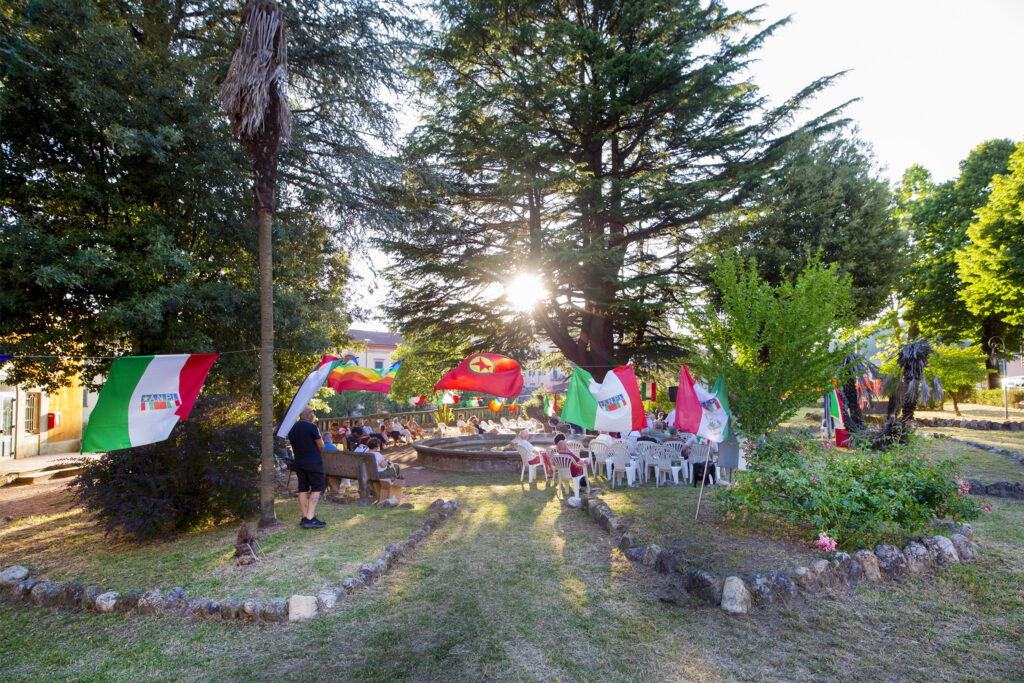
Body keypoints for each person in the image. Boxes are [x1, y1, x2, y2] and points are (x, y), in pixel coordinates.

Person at [286, 407, 327, 529]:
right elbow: (321, 445)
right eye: (312, 413)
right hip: (313, 461)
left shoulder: (292, 428)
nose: (313, 415)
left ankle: (304, 517)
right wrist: (317, 453)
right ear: (307, 415)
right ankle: (310, 517)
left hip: (299, 461)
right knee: (317, 487)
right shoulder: (312, 427)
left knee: (302, 488)